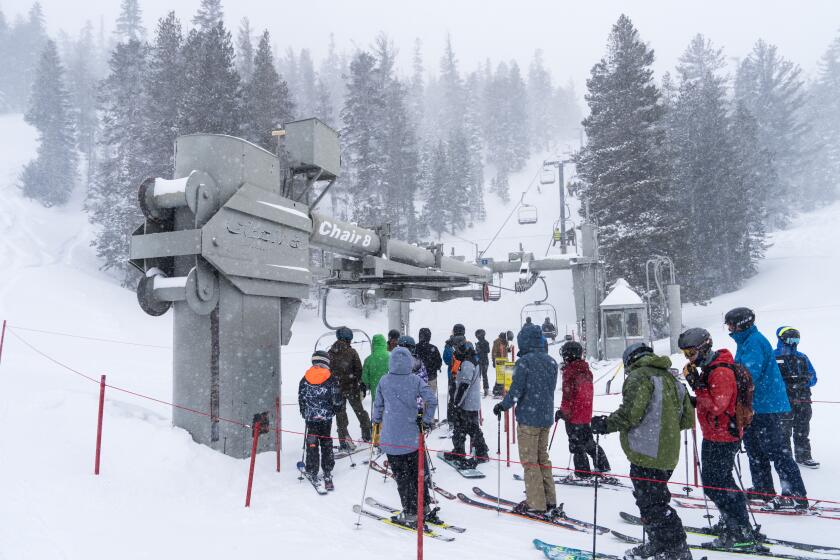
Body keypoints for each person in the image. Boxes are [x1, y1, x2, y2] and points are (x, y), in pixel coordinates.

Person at [590, 343, 695, 560]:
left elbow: (631, 414)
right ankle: (660, 544)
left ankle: (677, 549)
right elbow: (686, 420)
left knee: (653, 504)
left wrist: (605, 424)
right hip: (668, 452)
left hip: (646, 451)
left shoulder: (640, 377)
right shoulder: (672, 377)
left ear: (630, 361)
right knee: (652, 501)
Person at [678, 328, 760, 549]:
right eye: (686, 354)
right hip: (718, 433)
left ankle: (739, 530)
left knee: (716, 485)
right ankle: (732, 522)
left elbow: (717, 405)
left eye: (691, 353)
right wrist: (696, 396)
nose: (689, 358)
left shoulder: (720, 371)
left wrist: (696, 386)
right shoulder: (712, 368)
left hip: (723, 436)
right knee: (721, 482)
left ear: (704, 348)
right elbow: (713, 401)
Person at [725, 308, 808, 508]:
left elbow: (748, 374)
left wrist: (725, 380)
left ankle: (795, 494)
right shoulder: (745, 341)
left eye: (731, 324)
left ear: (741, 324)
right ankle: (763, 488)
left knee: (777, 451)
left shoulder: (754, 342)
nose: (728, 328)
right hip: (755, 406)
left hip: (766, 406)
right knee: (755, 449)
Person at [492, 322, 559, 516]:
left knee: (530, 462)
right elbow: (549, 389)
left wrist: (502, 406)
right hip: (545, 416)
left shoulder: (525, 362)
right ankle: (549, 498)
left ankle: (536, 503)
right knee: (542, 459)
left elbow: (516, 391)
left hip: (529, 419)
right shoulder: (551, 361)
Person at [372, 347, 439, 526]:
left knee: (402, 477)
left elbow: (377, 406)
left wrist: (376, 420)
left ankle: (411, 512)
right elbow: (432, 400)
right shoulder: (415, 380)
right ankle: (423, 506)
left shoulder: (384, 381)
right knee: (418, 473)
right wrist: (425, 420)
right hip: (412, 437)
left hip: (392, 438)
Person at [555, 340, 610, 478]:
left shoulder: (570, 371)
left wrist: (563, 412)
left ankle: (583, 473)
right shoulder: (586, 370)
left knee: (576, 444)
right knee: (588, 441)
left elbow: (568, 395)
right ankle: (602, 465)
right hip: (585, 413)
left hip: (573, 415)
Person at [774, 326, 819, 468]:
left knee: (802, 429)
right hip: (784, 401)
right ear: (782, 339)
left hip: (803, 400)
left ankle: (803, 456)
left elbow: (814, 377)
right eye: (790, 339)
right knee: (783, 430)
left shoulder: (802, 357)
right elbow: (768, 379)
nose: (793, 342)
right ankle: (785, 458)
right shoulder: (773, 356)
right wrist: (784, 383)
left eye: (796, 339)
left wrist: (804, 381)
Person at [298, 351, 342, 489]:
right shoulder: (331, 378)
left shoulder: (305, 378)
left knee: (311, 442)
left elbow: (301, 398)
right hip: (326, 417)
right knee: (326, 440)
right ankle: (327, 468)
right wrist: (336, 409)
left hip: (311, 417)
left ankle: (312, 468)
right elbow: (337, 398)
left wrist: (304, 411)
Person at [445, 336, 489, 467]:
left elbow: (464, 385)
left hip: (467, 403)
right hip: (467, 401)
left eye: (456, 348)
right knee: (461, 428)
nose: (455, 352)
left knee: (471, 428)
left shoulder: (468, 363)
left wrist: (456, 403)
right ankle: (459, 451)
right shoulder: (468, 359)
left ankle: (481, 453)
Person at [329, 326, 372, 451]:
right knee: (360, 411)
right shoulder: (352, 352)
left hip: (336, 390)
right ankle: (367, 434)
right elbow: (359, 370)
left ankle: (344, 440)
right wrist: (360, 383)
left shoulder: (330, 353)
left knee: (340, 415)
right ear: (348, 339)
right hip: (351, 388)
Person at [443, 323, 468, 424]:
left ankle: (452, 420)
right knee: (465, 396)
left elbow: (447, 359)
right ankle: (464, 417)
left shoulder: (449, 344)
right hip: (466, 374)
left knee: (453, 397)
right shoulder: (467, 343)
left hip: (453, 375)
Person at [361, 334, 389, 401]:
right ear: (384, 343)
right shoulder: (391, 356)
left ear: (373, 345)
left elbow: (365, 379)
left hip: (376, 392)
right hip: (391, 392)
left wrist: (369, 384)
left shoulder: (368, 359)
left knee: (379, 410)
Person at [415, 327, 442, 396]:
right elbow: (439, 362)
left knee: (418, 399)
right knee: (430, 399)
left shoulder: (415, 348)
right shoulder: (433, 348)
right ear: (429, 337)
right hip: (431, 377)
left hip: (417, 378)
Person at [491, 331, 510, 397]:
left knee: (504, 376)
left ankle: (501, 390)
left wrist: (508, 349)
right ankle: (497, 391)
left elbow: (506, 350)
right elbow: (494, 352)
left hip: (504, 360)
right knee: (500, 376)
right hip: (499, 361)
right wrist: (493, 361)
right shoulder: (497, 342)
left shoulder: (505, 342)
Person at [475, 329, 491, 397]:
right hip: (480, 361)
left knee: (483, 376)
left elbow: (487, 350)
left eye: (478, 335)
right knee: (479, 376)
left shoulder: (485, 342)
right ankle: (478, 389)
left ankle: (486, 390)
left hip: (484, 361)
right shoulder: (478, 343)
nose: (477, 337)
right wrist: (477, 350)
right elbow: (476, 352)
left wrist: (480, 349)